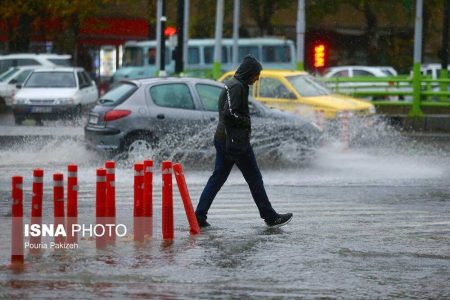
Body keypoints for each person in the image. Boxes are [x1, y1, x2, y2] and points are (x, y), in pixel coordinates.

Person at [195, 55, 293, 228]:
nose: (257, 78)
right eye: (256, 75)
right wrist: (246, 121)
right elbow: (229, 112)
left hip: (226, 139)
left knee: (217, 178)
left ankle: (199, 215)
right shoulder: (237, 87)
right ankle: (270, 217)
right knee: (254, 178)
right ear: (249, 73)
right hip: (234, 142)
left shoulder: (237, 84)